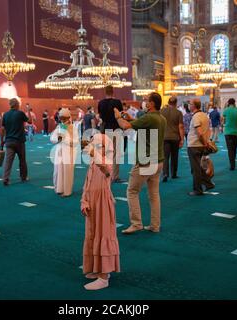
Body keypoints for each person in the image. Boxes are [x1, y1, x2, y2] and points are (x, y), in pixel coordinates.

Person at [114, 92, 166, 234]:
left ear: (152, 103)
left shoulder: (149, 118)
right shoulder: (161, 118)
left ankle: (136, 223)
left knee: (132, 191)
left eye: (145, 100)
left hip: (145, 162)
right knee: (154, 195)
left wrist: (118, 116)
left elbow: (125, 126)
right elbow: (141, 126)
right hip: (158, 161)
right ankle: (155, 225)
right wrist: (130, 118)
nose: (143, 102)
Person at [81, 133, 120, 290]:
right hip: (92, 204)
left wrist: (93, 152)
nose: (96, 148)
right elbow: (87, 184)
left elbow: (106, 168)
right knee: (92, 235)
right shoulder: (92, 163)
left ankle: (104, 277)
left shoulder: (107, 162)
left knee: (103, 235)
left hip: (103, 204)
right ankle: (97, 268)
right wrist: (84, 201)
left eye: (100, 146)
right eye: (95, 145)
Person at [186, 99, 215, 196]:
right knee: (197, 167)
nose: (189, 105)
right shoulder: (204, 115)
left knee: (195, 169)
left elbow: (199, 132)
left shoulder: (196, 117)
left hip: (194, 145)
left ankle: (197, 190)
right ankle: (208, 183)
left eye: (190, 104)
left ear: (194, 106)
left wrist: (205, 142)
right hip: (200, 145)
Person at [0, 98, 29, 186]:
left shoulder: (5, 114)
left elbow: (2, 129)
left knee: (8, 161)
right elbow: (30, 121)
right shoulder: (20, 113)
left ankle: (5, 178)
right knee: (22, 160)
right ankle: (23, 177)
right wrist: (28, 111)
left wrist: (2, 142)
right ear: (17, 105)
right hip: (19, 141)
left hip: (9, 141)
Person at [98, 86, 124, 183]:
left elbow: (101, 116)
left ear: (105, 92)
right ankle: (115, 176)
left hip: (106, 130)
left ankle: (106, 173)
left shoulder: (101, 103)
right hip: (116, 129)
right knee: (116, 154)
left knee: (107, 153)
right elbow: (120, 115)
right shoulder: (117, 102)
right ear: (113, 92)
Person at [50, 108, 78, 197]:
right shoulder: (58, 127)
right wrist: (57, 139)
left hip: (69, 152)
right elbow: (52, 138)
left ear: (68, 118)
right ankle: (59, 189)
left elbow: (76, 141)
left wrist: (65, 139)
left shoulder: (73, 128)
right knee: (58, 171)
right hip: (59, 151)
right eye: (61, 118)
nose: (63, 120)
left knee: (67, 171)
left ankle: (67, 191)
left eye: (64, 118)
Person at [161, 96, 184, 182]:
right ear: (176, 103)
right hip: (175, 138)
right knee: (174, 156)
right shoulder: (178, 113)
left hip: (164, 137)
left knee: (165, 157)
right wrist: (182, 139)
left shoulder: (161, 112)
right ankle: (174, 174)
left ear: (168, 102)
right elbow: (180, 126)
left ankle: (165, 174)